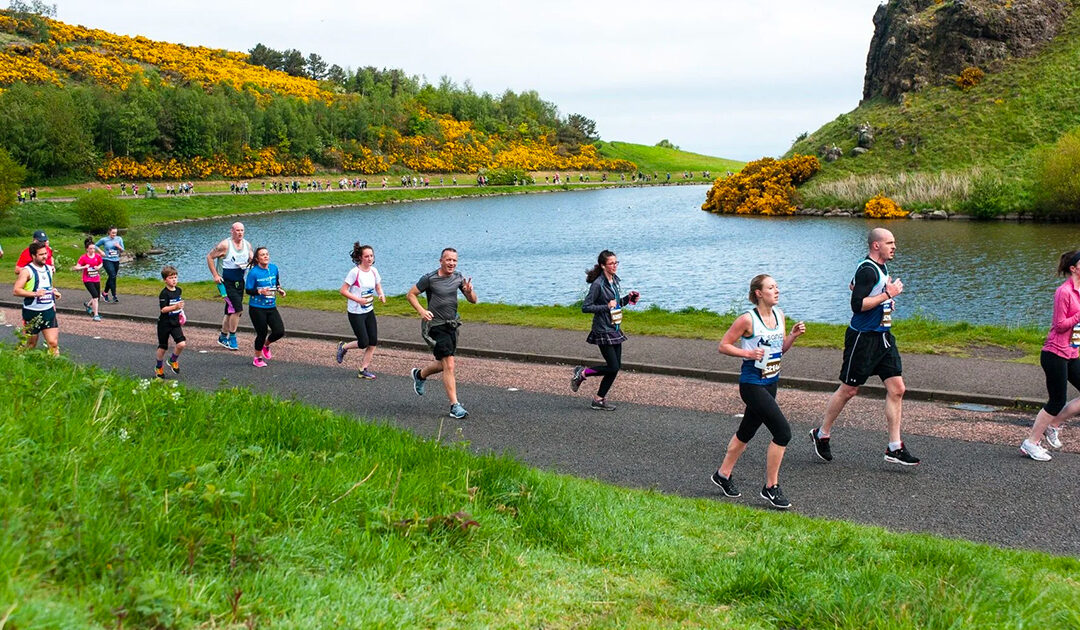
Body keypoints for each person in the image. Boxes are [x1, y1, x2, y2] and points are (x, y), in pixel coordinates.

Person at [809, 228, 920, 466]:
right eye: (890, 243)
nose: (894, 247)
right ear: (876, 246)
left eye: (894, 242)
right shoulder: (868, 270)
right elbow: (857, 304)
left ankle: (894, 447)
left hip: (883, 337)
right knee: (849, 390)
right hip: (862, 338)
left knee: (898, 388)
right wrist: (886, 294)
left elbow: (853, 286)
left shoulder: (879, 267)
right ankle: (822, 434)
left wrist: (885, 301)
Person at [710, 275, 806, 509]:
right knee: (783, 433)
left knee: (746, 431)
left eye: (776, 286)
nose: (777, 290)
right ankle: (771, 487)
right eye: (771, 287)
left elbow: (779, 349)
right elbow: (724, 345)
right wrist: (748, 354)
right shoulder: (747, 319)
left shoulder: (779, 315)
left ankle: (722, 475)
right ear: (758, 293)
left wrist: (792, 336)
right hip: (752, 385)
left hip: (771, 382)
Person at [1020, 250, 1080, 461]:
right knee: (1056, 400)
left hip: (1071, 352)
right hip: (1054, 353)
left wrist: (1077, 345)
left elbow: (1077, 328)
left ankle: (1053, 425)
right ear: (1073, 268)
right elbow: (1060, 325)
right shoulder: (1064, 292)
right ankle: (1031, 443)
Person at [406, 248, 477, 419]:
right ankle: (455, 406)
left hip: (452, 325)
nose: (452, 263)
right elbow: (411, 295)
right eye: (448, 260)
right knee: (450, 365)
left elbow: (473, 301)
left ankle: (420, 374)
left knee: (443, 364)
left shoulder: (458, 277)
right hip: (435, 326)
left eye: (454, 260)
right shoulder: (429, 278)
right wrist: (422, 311)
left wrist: (468, 292)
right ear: (441, 261)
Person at [570, 250, 640, 410]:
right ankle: (582, 373)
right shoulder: (598, 284)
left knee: (615, 367)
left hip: (614, 327)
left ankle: (599, 399)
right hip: (602, 329)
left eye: (616, 262)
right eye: (611, 263)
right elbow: (586, 307)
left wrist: (628, 299)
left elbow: (614, 304)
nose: (615, 266)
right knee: (613, 366)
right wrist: (606, 307)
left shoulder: (614, 280)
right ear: (603, 265)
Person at [336, 243, 386, 379]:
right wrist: (358, 300)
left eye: (371, 256)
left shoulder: (374, 271)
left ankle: (363, 370)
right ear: (360, 258)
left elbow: (378, 286)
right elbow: (343, 290)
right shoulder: (355, 272)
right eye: (366, 256)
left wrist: (381, 294)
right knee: (363, 342)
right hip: (356, 312)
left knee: (373, 341)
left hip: (369, 310)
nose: (369, 259)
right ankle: (344, 347)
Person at [206, 222, 253, 350]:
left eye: (242, 230)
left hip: (239, 282)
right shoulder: (224, 245)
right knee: (237, 310)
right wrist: (215, 275)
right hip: (225, 283)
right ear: (231, 231)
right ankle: (232, 338)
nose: (240, 233)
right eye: (237, 230)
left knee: (230, 311)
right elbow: (210, 257)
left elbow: (251, 261)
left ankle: (222, 336)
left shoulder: (247, 245)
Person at [13, 241, 61, 356]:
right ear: (33, 256)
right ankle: (16, 359)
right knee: (30, 345)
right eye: (41, 254)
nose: (45, 256)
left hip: (48, 311)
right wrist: (35, 294)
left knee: (53, 343)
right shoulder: (26, 271)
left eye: (46, 253)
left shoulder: (49, 269)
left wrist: (54, 292)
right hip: (32, 312)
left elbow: (47, 286)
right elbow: (16, 290)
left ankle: (55, 368)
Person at [245, 247, 286, 368]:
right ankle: (257, 358)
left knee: (279, 331)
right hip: (257, 308)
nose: (266, 256)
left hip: (271, 306)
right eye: (262, 255)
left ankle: (266, 345)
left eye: (267, 254)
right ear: (257, 259)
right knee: (261, 333)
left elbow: (276, 283)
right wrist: (260, 292)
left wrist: (280, 290)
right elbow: (248, 290)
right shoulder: (253, 273)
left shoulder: (274, 268)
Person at [155, 266, 186, 379]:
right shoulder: (164, 294)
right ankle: (159, 367)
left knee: (181, 344)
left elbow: (179, 305)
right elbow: (163, 309)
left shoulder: (178, 290)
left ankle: (173, 360)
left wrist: (181, 312)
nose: (174, 280)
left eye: (175, 277)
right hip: (164, 323)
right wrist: (175, 307)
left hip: (175, 322)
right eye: (171, 278)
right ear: (165, 280)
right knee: (163, 347)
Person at [73, 238, 104, 321]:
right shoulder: (83, 258)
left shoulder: (97, 256)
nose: (93, 250)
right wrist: (84, 267)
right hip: (87, 279)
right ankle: (96, 315)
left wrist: (98, 267)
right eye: (91, 248)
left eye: (94, 248)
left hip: (96, 278)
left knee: (97, 296)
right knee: (95, 297)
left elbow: (101, 263)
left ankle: (88, 304)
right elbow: (76, 267)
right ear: (87, 249)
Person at [95, 226, 125, 303]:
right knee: (112, 276)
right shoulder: (104, 240)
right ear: (109, 232)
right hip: (107, 260)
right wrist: (101, 252)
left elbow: (122, 250)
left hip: (116, 260)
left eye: (115, 233)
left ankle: (105, 293)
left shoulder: (119, 239)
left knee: (112, 276)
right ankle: (114, 295)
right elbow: (95, 245)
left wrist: (118, 247)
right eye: (113, 233)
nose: (114, 234)